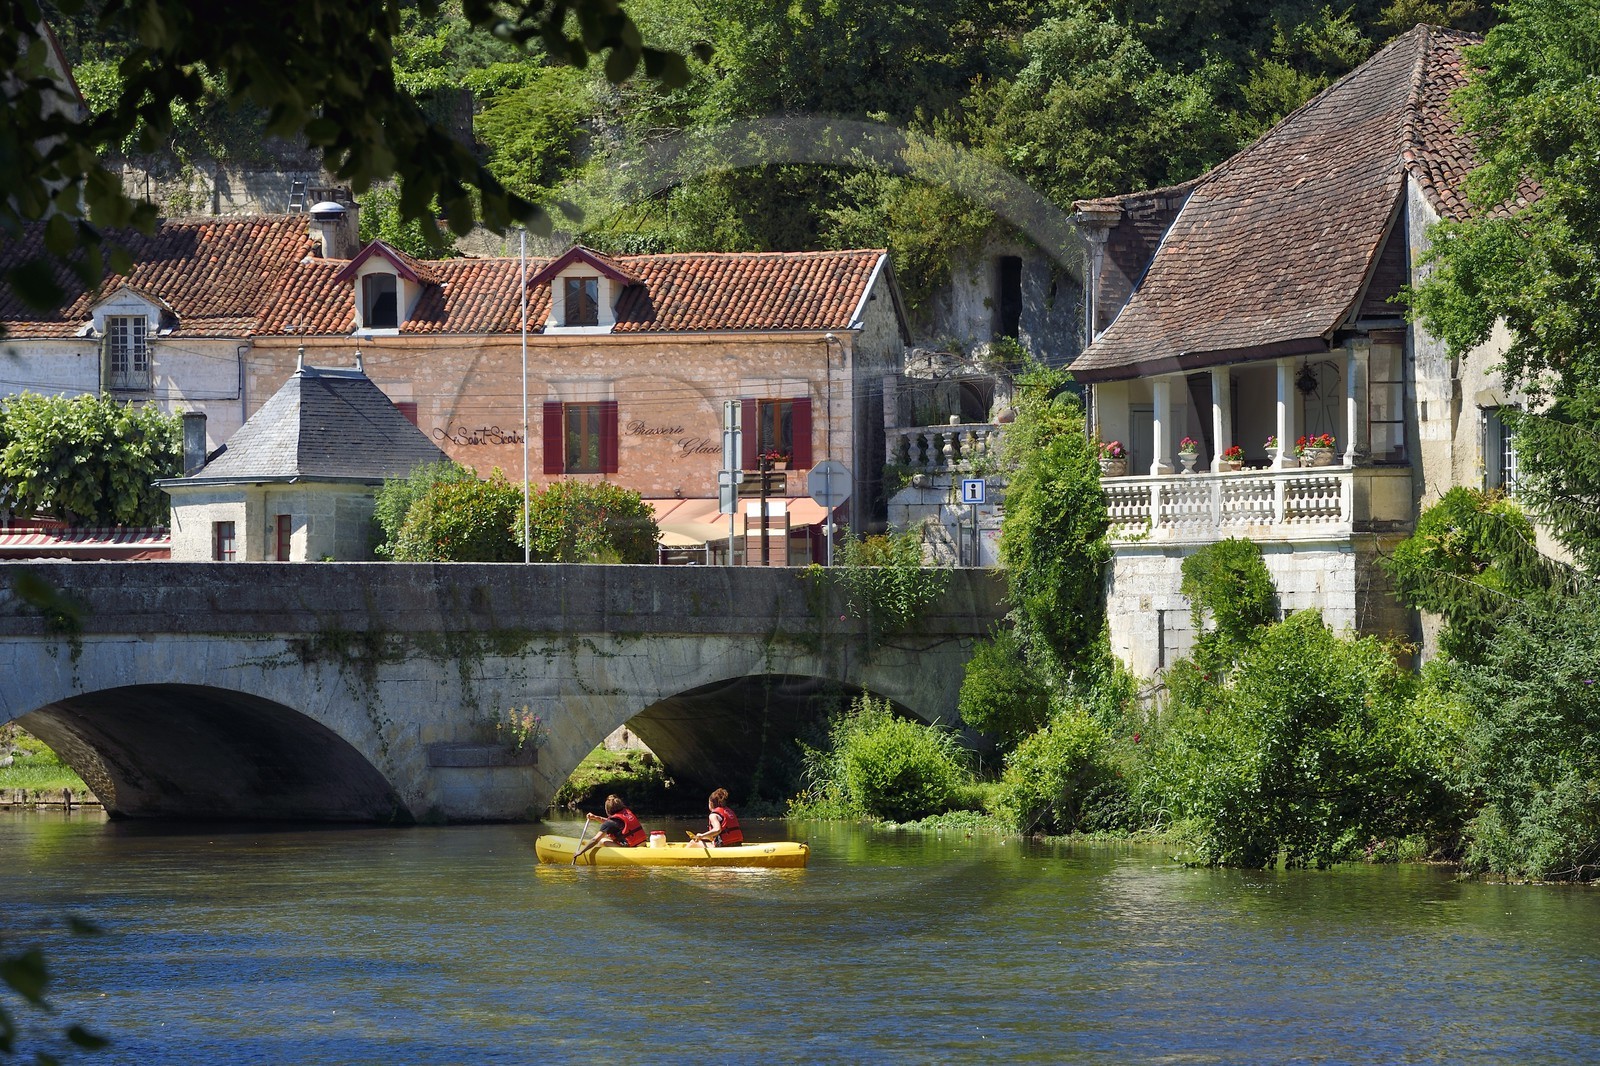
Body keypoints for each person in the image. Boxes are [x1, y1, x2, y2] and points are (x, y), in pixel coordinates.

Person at [572, 794, 647, 863]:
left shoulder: (610, 823)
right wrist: (596, 818)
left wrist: (581, 851)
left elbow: (595, 840)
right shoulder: (626, 813)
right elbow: (613, 824)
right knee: (610, 837)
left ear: (607, 810)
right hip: (643, 844)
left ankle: (601, 857)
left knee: (602, 841)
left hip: (631, 849)